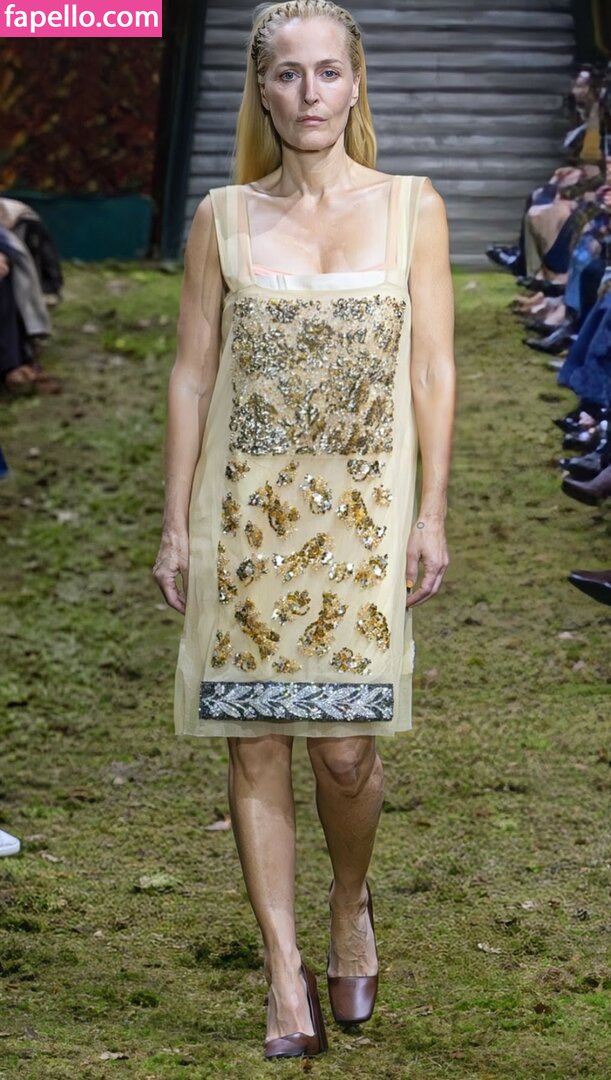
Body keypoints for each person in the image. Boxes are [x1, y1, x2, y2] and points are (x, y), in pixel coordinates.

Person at [153, 0, 455, 1060]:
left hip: (364, 519)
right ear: (262, 90)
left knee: (343, 754)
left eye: (328, 72)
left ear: (355, 83)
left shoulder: (411, 207)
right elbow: (191, 377)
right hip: (244, 515)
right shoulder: (221, 218)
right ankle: (283, 975)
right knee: (255, 745)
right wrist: (175, 525)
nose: (309, 93)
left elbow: (433, 368)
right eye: (288, 74)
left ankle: (348, 901)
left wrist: (430, 510)